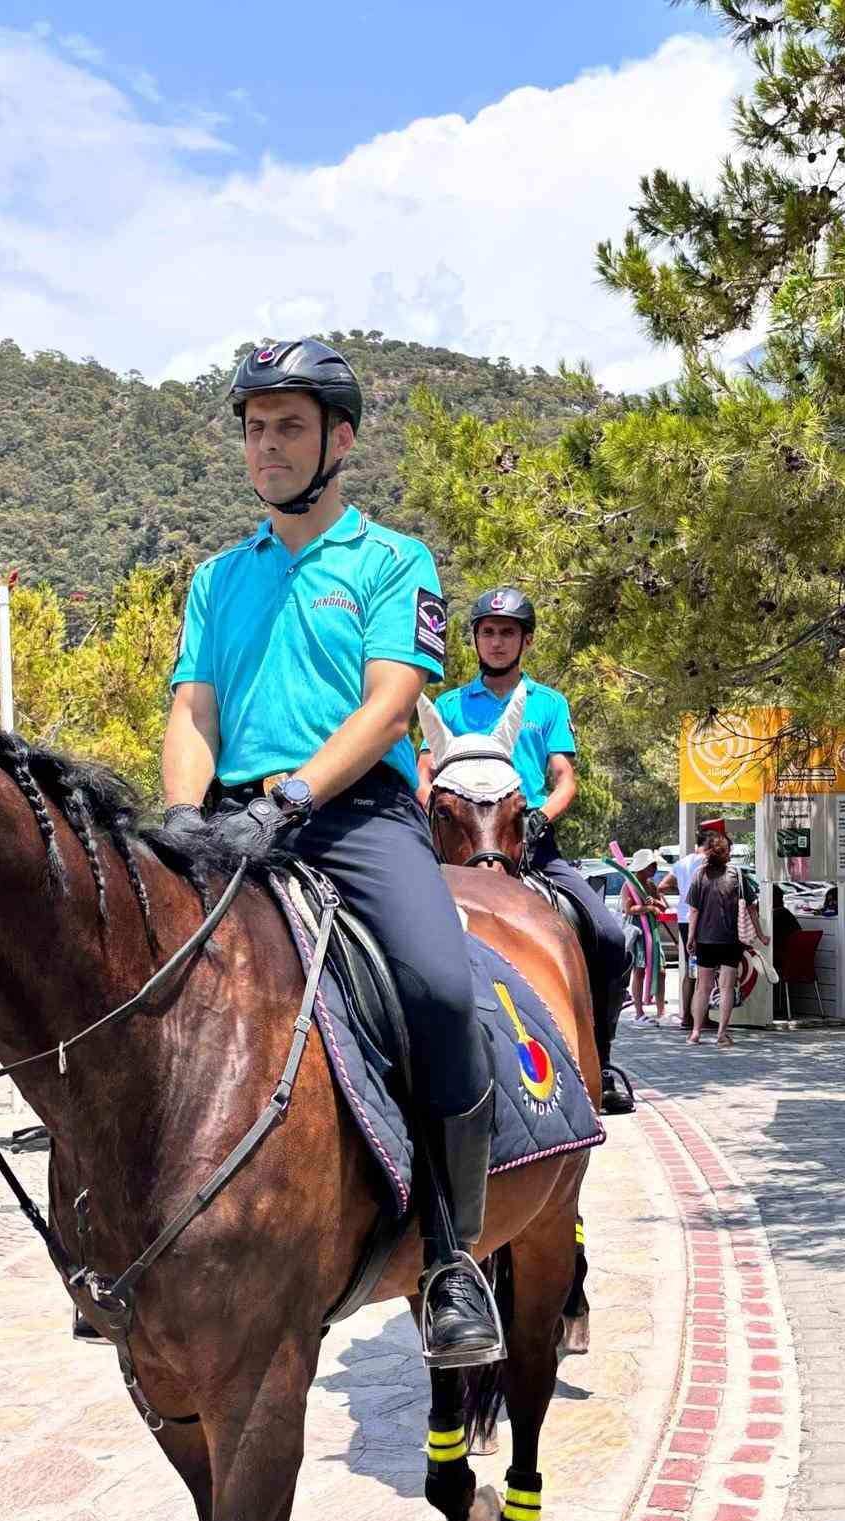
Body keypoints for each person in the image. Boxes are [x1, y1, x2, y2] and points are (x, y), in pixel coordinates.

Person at [161, 338, 502, 1367]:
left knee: (441, 989)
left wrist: (299, 793)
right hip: (225, 817)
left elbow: (391, 700)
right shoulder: (219, 579)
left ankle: (450, 1259)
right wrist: (182, 816)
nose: (268, 446)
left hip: (353, 817)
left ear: (339, 440)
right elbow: (193, 705)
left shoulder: (394, 561)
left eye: (290, 427)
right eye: (257, 428)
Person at [414, 587, 634, 1113]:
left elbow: (564, 780)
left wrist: (540, 818)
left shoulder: (548, 703)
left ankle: (598, 1064)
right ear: (474, 640)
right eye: (487, 632)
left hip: (529, 839)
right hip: (459, 844)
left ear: (525, 640)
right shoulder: (448, 705)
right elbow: (423, 775)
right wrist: (440, 810)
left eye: (507, 632)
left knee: (608, 937)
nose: (495, 641)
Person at [687, 830, 767, 1047]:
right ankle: (722, 1034)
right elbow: (752, 908)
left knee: (702, 988)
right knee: (726, 987)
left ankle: (695, 1033)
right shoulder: (737, 875)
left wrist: (690, 937)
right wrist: (760, 935)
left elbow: (694, 911)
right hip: (731, 940)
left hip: (705, 938)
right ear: (727, 853)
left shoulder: (699, 875)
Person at [656, 827, 715, 1030]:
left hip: (683, 918)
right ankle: (702, 1017)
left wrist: (682, 889)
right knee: (704, 968)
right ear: (707, 845)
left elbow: (661, 886)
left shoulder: (681, 863)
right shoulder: (706, 862)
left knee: (691, 967)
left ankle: (686, 1017)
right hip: (703, 918)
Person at [620, 849, 667, 1025]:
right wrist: (648, 909)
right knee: (639, 970)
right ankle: (639, 1012)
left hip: (652, 931)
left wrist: (653, 903)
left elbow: (663, 905)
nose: (655, 868)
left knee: (660, 970)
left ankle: (661, 1010)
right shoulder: (629, 886)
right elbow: (628, 909)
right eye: (652, 865)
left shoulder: (651, 885)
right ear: (643, 867)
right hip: (639, 931)